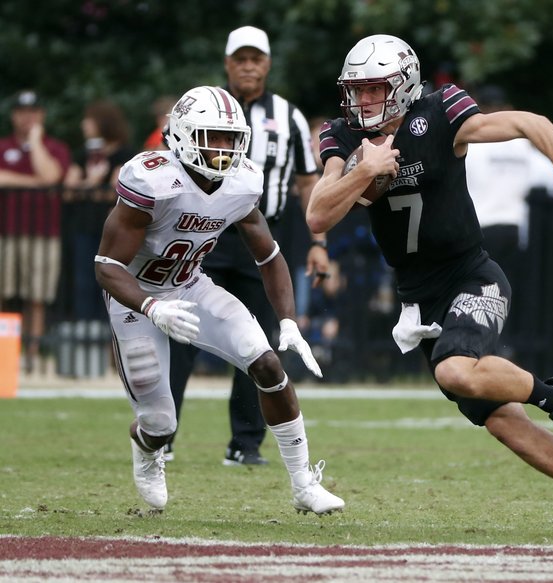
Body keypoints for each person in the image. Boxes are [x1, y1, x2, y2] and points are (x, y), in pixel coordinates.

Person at [307, 34, 553, 538]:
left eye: (374, 89)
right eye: (356, 90)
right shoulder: (343, 139)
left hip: (471, 275)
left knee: (456, 371)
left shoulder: (442, 110)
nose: (362, 101)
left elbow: (528, 123)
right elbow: (319, 213)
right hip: (420, 298)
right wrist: (364, 170)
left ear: (404, 86)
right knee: (501, 421)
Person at [94, 86, 344, 515]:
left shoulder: (241, 182)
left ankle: (304, 483)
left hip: (190, 286)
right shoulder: (152, 179)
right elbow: (107, 267)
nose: (224, 149)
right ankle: (146, 445)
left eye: (231, 138)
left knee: (267, 363)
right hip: (135, 296)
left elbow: (268, 254)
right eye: (214, 136)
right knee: (160, 422)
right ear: (183, 134)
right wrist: (152, 307)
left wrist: (287, 321)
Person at [167, 26, 329, 466]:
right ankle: (162, 434)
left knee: (258, 341)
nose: (248, 65)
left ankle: (246, 443)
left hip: (261, 233)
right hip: (208, 233)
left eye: (256, 58)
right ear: (227, 63)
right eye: (240, 58)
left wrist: (318, 240)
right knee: (180, 332)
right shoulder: (200, 106)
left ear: (268, 63)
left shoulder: (289, 116)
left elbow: (305, 181)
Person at [465, 85, 553, 359]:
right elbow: (551, 181)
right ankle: (508, 348)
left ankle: (484, 348)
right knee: (509, 292)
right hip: (517, 229)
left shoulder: (472, 144)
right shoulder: (522, 146)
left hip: (482, 227)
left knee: (479, 292)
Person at [0, 90, 71, 373]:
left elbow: (52, 176)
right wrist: (36, 182)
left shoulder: (54, 148)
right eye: (21, 112)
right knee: (4, 292)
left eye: (33, 112)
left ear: (41, 116)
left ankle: (31, 353)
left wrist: (35, 142)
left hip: (43, 233)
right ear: (13, 115)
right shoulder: (3, 145)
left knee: (37, 296)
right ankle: (6, 352)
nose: (27, 117)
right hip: (6, 231)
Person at [63, 100, 137, 322]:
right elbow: (67, 191)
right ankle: (86, 332)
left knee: (110, 279)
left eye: (89, 120)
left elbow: (114, 192)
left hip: (112, 231)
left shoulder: (125, 154)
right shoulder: (83, 154)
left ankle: (109, 333)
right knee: (83, 281)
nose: (84, 125)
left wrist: (86, 187)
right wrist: (94, 182)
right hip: (84, 227)